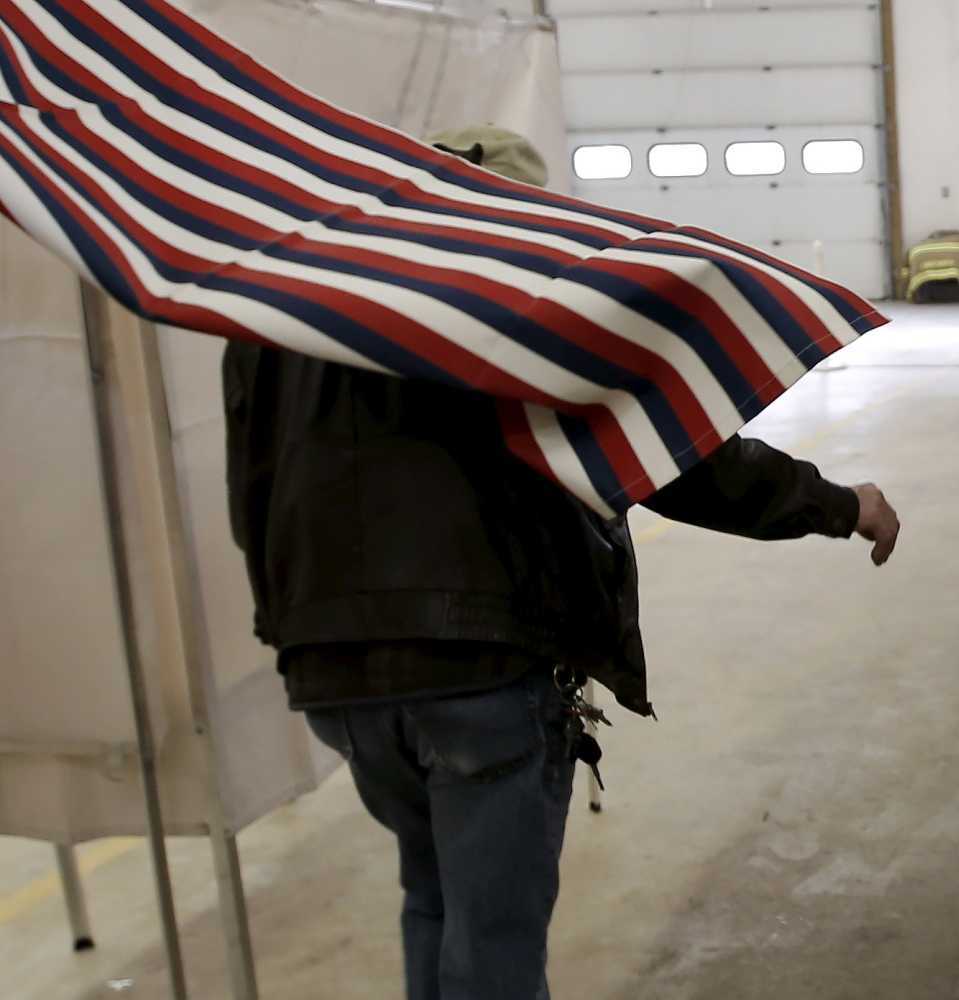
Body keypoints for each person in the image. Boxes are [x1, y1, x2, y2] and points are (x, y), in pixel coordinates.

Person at [222, 126, 901, 1000]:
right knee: (493, 953)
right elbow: (667, 454)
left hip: (334, 675)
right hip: (477, 665)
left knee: (431, 898)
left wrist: (293, 629)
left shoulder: (284, 311)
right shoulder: (515, 293)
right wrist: (838, 504)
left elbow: (251, 491)